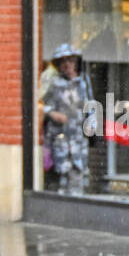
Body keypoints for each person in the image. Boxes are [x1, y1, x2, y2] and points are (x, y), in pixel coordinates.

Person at [41, 43, 93, 194]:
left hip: (78, 140)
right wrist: (51, 113)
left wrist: (91, 126)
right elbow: (39, 104)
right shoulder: (53, 83)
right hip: (59, 139)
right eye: (63, 62)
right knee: (58, 181)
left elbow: (90, 105)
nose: (67, 65)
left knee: (77, 176)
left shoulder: (83, 82)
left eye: (70, 61)